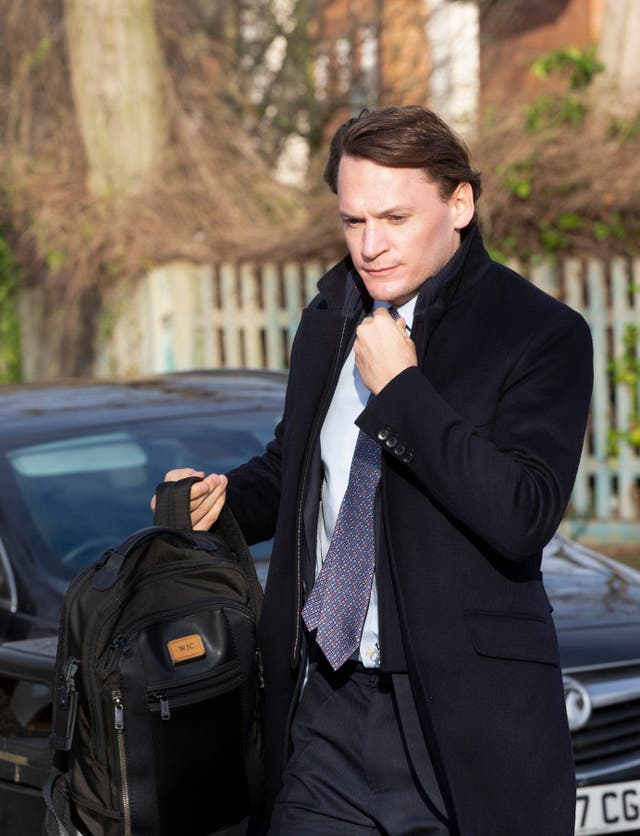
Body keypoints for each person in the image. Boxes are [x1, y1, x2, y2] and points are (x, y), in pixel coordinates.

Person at [159, 106, 593, 835]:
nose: (370, 245)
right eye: (353, 221)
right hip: (325, 709)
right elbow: (296, 471)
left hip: (459, 721)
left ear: (460, 202)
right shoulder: (330, 316)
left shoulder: (539, 333)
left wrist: (403, 392)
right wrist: (223, 499)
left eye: (394, 218)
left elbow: (523, 513)